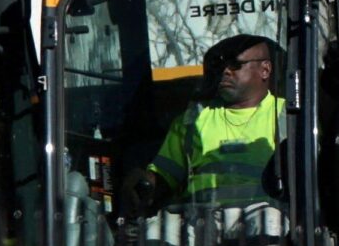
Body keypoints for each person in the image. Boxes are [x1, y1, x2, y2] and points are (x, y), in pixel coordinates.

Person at [121, 33, 285, 218]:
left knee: (271, 221)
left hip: (264, 220)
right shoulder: (192, 120)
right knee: (154, 233)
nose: (226, 71)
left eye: (235, 64)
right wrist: (142, 182)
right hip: (200, 222)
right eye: (221, 65)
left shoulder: (287, 116)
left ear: (265, 69)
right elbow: (163, 179)